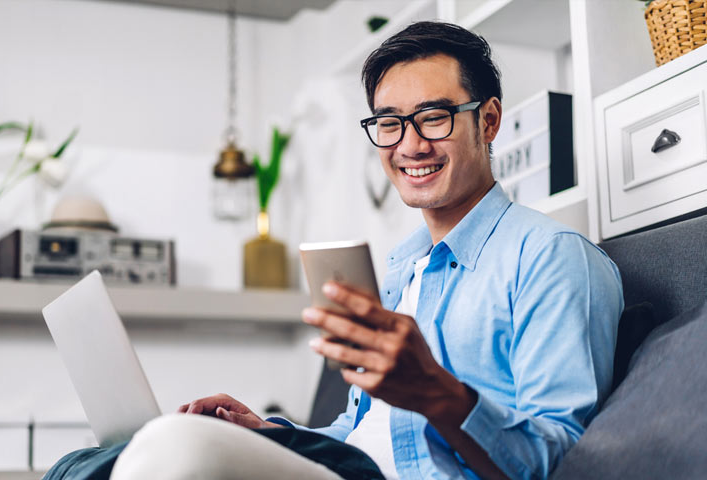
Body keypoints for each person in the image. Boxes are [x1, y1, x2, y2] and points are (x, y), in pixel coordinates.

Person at [109, 21, 623, 480]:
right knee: (102, 458)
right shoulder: (403, 266)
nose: (410, 145)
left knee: (171, 451)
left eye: (434, 117)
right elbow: (360, 434)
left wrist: (436, 392)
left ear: (488, 121)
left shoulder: (551, 256)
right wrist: (271, 434)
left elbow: (563, 463)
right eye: (389, 122)